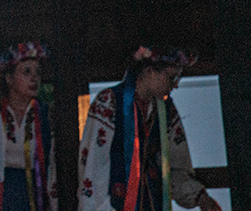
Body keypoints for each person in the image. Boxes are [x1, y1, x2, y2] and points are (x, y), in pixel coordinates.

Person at [78, 46, 221, 211]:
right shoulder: (110, 102)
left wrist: (201, 198)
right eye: (171, 78)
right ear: (149, 72)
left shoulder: (167, 111)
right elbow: (93, 166)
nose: (175, 85)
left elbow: (175, 168)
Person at [0, 42, 56, 211]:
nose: (34, 78)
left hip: (34, 190)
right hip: (1, 189)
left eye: (37, 72)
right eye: (27, 72)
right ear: (9, 78)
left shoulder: (44, 113)